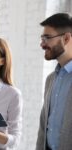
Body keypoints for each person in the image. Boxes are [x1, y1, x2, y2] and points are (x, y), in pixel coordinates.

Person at [36, 13, 72, 150]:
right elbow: (43, 125)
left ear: (66, 38)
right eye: (42, 38)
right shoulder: (50, 79)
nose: (42, 44)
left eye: (47, 38)